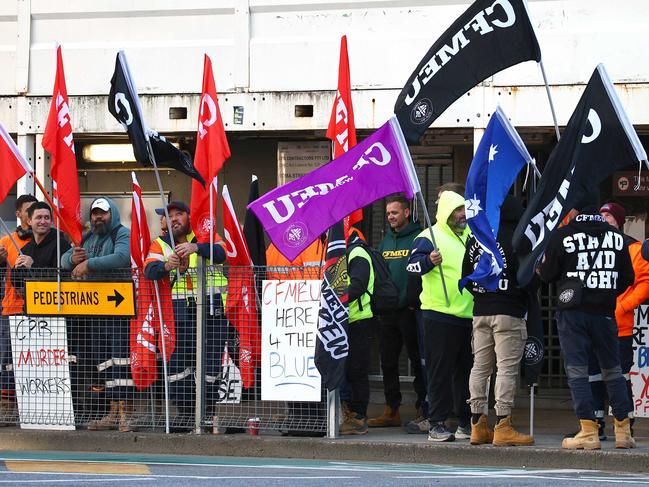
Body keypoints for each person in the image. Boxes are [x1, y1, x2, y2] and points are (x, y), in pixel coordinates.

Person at [538, 205, 635, 449]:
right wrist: (605, 293)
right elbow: (627, 279)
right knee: (613, 371)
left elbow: (548, 275)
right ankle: (623, 432)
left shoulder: (562, 236)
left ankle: (588, 431)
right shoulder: (617, 238)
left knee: (577, 371)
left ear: (574, 211)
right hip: (604, 313)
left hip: (573, 313)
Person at [144, 201, 229, 429]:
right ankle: (185, 413)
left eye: (179, 214)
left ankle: (208, 412)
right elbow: (148, 270)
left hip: (212, 309)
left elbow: (224, 253)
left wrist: (197, 248)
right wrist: (166, 266)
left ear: (189, 216)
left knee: (210, 365)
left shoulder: (206, 235)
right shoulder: (160, 244)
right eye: (170, 215)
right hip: (178, 311)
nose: (174, 219)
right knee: (179, 364)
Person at [461, 195, 533, 446]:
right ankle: (503, 425)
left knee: (480, 367)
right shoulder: (519, 238)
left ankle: (477, 425)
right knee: (506, 369)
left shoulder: (477, 236)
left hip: (480, 310)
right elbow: (527, 277)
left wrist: (485, 295)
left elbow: (466, 276)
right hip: (509, 311)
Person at [407, 190, 473, 442]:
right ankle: (436, 423)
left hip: (468, 315)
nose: (462, 215)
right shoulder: (428, 237)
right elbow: (411, 267)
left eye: (464, 210)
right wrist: (429, 261)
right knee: (439, 372)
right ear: (446, 212)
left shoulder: (471, 236)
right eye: (457, 210)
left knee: (465, 372)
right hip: (438, 315)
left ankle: (465, 422)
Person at [61, 197, 132, 432]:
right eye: (94, 214)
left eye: (102, 213)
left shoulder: (122, 233)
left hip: (118, 309)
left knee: (120, 361)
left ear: (112, 213)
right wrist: (72, 259)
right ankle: (111, 413)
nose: (98, 217)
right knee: (104, 363)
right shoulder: (88, 237)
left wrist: (89, 264)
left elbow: (122, 257)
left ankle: (126, 415)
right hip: (93, 311)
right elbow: (64, 260)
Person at [368, 194, 426, 429]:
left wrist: (415, 301)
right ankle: (392, 410)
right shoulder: (385, 242)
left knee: (418, 361)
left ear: (406, 212)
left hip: (411, 311)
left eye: (395, 212)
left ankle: (423, 408)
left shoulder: (419, 238)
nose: (390, 216)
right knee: (388, 363)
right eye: (388, 213)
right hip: (388, 313)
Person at [0, 194, 36, 424]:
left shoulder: (44, 239)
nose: (33, 215)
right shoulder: (6, 242)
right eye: (29, 210)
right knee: (8, 360)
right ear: (19, 214)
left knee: (34, 360)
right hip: (11, 308)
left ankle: (34, 407)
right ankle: (6, 406)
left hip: (38, 310)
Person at [340, 231, 377, 435]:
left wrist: (333, 297)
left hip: (359, 320)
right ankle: (349, 414)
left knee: (357, 371)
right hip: (345, 320)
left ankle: (359, 417)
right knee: (346, 370)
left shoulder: (358, 254)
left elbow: (358, 286)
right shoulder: (345, 253)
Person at [12, 201, 71, 291]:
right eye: (39, 217)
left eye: (46, 218)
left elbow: (64, 275)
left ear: (51, 221)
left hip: (57, 302)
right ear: (29, 221)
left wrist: (33, 266)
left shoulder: (61, 244)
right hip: (32, 302)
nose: (43, 222)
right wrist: (16, 270)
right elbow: (17, 284)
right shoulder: (25, 249)